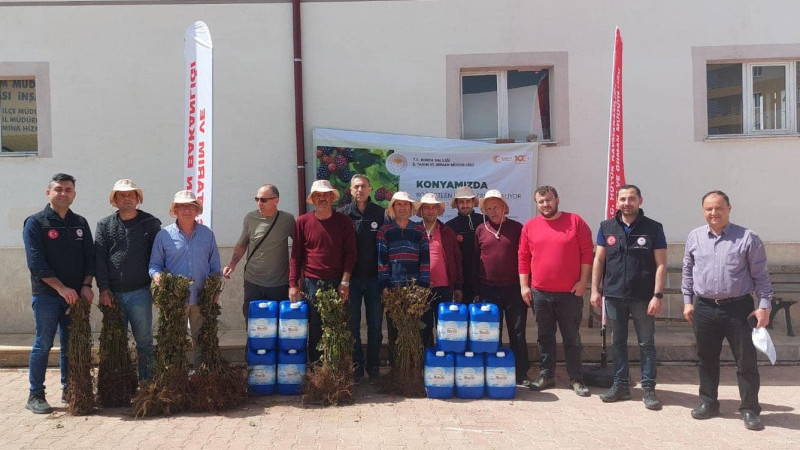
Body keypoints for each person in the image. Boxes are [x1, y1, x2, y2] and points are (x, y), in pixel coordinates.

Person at [682, 190, 773, 431]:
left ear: (729, 208)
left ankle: (750, 409)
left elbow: (761, 276)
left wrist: (764, 306)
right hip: (704, 308)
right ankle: (709, 402)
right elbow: (688, 272)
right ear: (704, 211)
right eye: (709, 208)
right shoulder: (694, 237)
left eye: (719, 207)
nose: (714, 212)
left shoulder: (747, 238)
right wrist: (688, 301)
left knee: (746, 362)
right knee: (706, 359)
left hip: (738, 309)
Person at [23, 173, 95, 414]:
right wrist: (61, 288)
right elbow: (36, 263)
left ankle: (69, 389)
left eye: (68, 189)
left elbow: (89, 258)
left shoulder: (80, 223)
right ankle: (35, 395)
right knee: (42, 344)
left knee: (70, 344)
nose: (63, 193)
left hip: (75, 297)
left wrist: (86, 285)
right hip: (47, 295)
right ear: (49, 193)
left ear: (74, 194)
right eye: (58, 189)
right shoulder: (36, 222)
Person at [590, 185, 666, 410]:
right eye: (622, 199)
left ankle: (648, 388)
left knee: (646, 343)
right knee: (618, 342)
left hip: (643, 297)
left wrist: (657, 295)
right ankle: (621, 385)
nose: (627, 203)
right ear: (617, 202)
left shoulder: (653, 228)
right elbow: (599, 261)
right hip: (613, 295)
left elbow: (661, 264)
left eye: (631, 198)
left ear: (640, 200)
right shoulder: (606, 227)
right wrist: (595, 289)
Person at [519, 185, 592, 397]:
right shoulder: (530, 226)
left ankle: (576, 378)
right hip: (540, 293)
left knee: (571, 337)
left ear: (557, 199)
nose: (545, 204)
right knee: (544, 337)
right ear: (536, 204)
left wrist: (583, 282)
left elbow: (587, 254)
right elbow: (523, 257)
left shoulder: (575, 221)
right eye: (541, 202)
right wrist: (524, 286)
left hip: (570, 293)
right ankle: (546, 375)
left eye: (549, 200)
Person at [95, 179, 162, 383]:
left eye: (131, 195)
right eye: (121, 195)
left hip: (140, 292)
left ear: (138, 199)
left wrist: (155, 285)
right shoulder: (104, 225)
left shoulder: (150, 223)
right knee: (116, 341)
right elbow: (99, 258)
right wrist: (103, 289)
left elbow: (158, 257)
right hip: (113, 294)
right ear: (114, 200)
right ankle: (120, 384)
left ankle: (146, 383)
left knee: (144, 341)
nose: (126, 198)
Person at [149, 190, 221, 368]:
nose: (186, 210)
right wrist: (157, 276)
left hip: (201, 298)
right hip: (175, 300)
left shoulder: (207, 234)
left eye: (191, 206)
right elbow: (154, 265)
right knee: (174, 341)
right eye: (181, 206)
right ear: (174, 210)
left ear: (197, 210)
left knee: (202, 340)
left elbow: (215, 267)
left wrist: (215, 289)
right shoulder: (164, 235)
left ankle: (200, 376)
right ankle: (177, 376)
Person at [289, 180, 357, 363]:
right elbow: (296, 255)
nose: (322, 198)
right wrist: (293, 284)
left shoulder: (344, 222)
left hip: (337, 282)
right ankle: (317, 372)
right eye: (318, 195)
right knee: (316, 328)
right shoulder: (302, 222)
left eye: (326, 195)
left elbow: (351, 254)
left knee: (338, 327)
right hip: (312, 283)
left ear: (332, 198)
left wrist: (345, 281)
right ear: (313, 199)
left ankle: (337, 367)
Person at [474, 189, 529, 383]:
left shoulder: (517, 228)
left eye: (496, 206)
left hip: (514, 288)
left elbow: (525, 257)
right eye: (488, 208)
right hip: (488, 289)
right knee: (491, 334)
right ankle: (493, 371)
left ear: (504, 207)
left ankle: (521, 372)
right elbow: (475, 260)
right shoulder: (480, 230)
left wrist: (525, 285)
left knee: (517, 331)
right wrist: (476, 291)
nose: (492, 211)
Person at [337, 175, 385, 383]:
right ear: (350, 189)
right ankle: (356, 367)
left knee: (375, 325)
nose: (360, 190)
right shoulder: (343, 214)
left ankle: (373, 367)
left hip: (375, 279)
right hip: (352, 280)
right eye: (356, 186)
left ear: (370, 188)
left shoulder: (380, 213)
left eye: (363, 186)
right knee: (352, 325)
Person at [223, 184, 295, 319]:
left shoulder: (288, 220)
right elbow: (241, 244)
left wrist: (297, 277)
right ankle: (252, 341)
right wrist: (232, 265)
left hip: (278, 283)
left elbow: (300, 246)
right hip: (253, 282)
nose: (259, 203)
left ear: (276, 200)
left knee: (276, 323)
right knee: (253, 321)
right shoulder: (250, 218)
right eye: (257, 199)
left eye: (263, 200)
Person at [377, 192, 429, 357]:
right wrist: (384, 286)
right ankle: (396, 369)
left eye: (406, 204)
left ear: (411, 208)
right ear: (393, 208)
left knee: (414, 330)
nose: (402, 208)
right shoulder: (384, 231)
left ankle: (413, 368)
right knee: (394, 330)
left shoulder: (420, 231)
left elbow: (425, 262)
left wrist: (423, 287)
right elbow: (381, 261)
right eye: (398, 204)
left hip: (414, 291)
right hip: (393, 290)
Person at [417, 193, 462, 348]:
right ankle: (427, 363)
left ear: (438, 210)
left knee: (445, 328)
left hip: (444, 288)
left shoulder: (447, 231)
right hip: (421, 289)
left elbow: (456, 259)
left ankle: (444, 364)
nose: (430, 211)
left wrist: (457, 286)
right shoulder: (415, 231)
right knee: (424, 328)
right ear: (421, 210)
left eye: (433, 207)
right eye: (427, 208)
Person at [445, 186, 484, 303]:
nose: (465, 205)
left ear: (473, 202)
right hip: (461, 282)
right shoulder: (450, 226)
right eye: (461, 202)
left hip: (483, 280)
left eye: (468, 201)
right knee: (462, 319)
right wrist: (457, 286)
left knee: (483, 319)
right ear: (456, 204)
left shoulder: (484, 221)